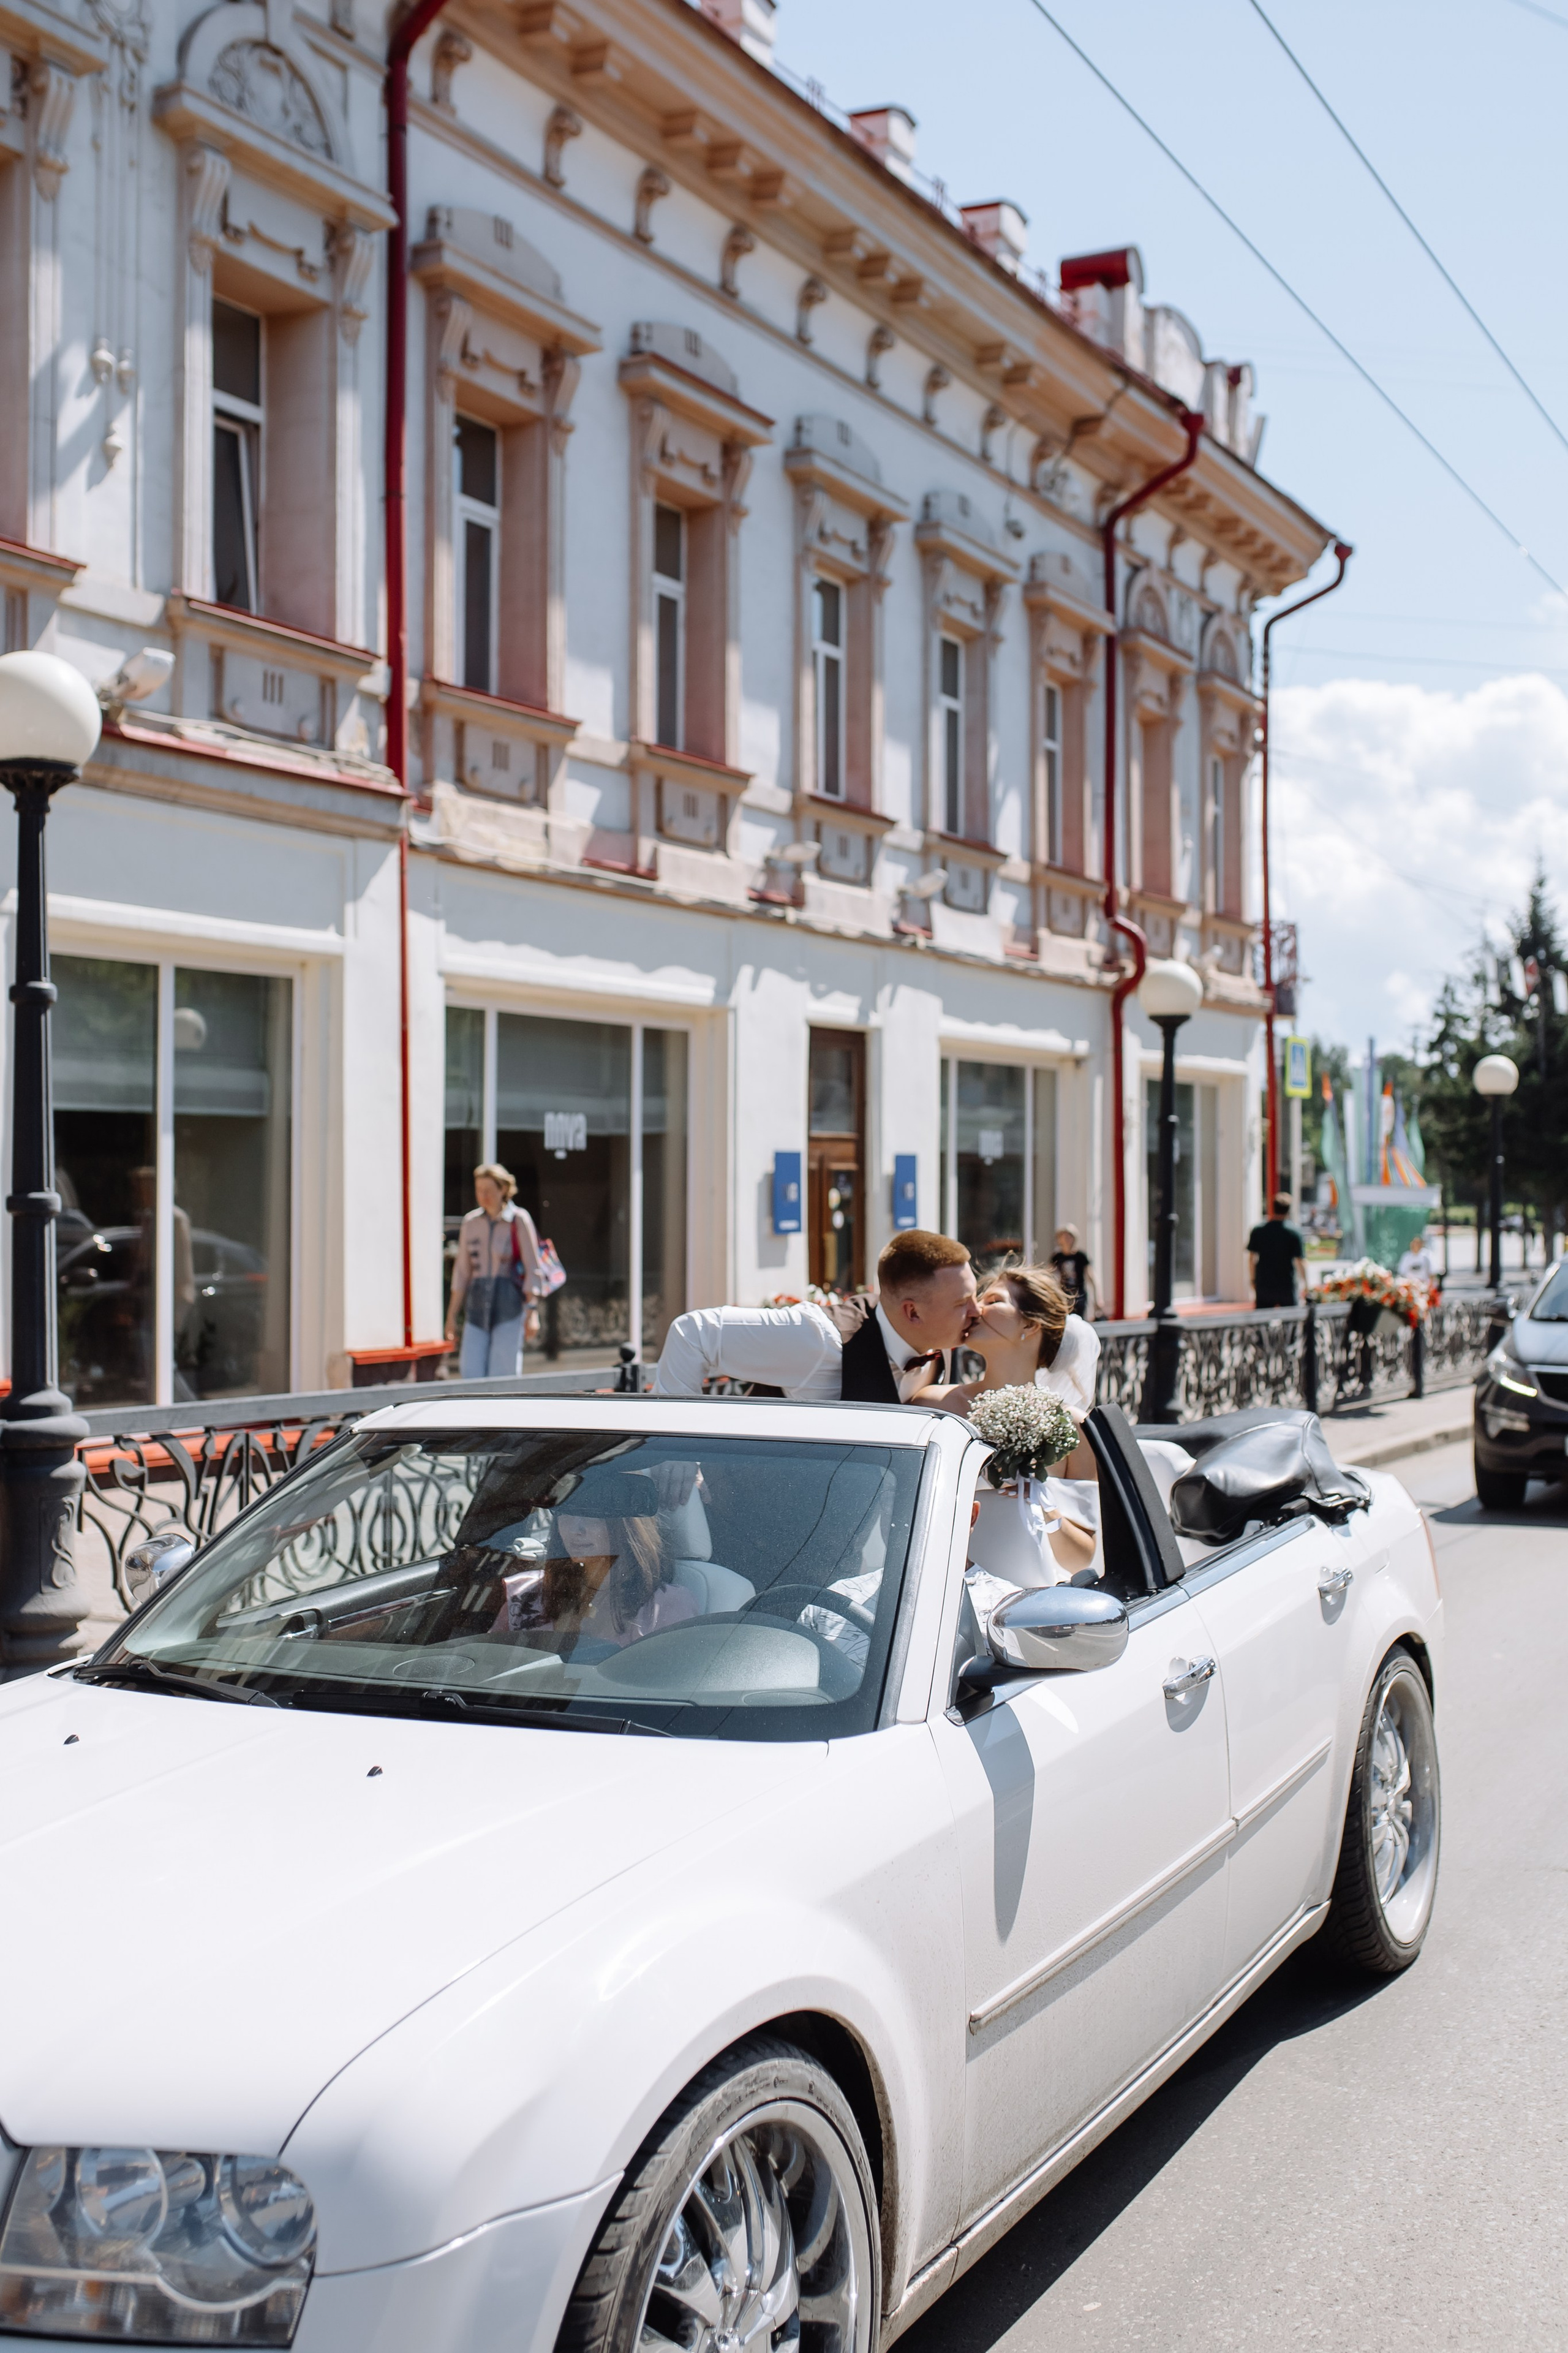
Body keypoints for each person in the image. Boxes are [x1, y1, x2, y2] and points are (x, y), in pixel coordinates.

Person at [913, 1263, 1099, 1577]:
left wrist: (1046, 1508)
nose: (975, 1309)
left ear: (1029, 1325)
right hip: (940, 1585)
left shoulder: (1074, 1428)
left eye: (993, 1301)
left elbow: (1081, 1560)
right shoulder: (933, 1404)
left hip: (1032, 1598)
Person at [653, 1229, 981, 1402]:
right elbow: (693, 1332)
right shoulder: (819, 1340)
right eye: (963, 1302)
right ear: (912, 1312)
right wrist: (673, 1457)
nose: (976, 1312)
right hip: (747, 1514)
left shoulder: (942, 1345)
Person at [445, 1162, 542, 1379]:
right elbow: (462, 1272)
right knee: (471, 1374)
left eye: (489, 1190)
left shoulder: (519, 1220)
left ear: (503, 1190)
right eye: (480, 1190)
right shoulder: (471, 1223)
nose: (484, 1196)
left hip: (509, 1308)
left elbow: (533, 1269)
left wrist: (532, 1313)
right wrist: (451, 1316)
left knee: (503, 1376)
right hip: (477, 1309)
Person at [1246, 1193, 1307, 1311]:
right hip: (1286, 1284)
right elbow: (1301, 1261)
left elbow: (1251, 1258)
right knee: (1291, 1322)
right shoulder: (1294, 1232)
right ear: (1289, 1210)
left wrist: (1253, 1280)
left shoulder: (1259, 1231)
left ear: (1273, 1208)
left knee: (1262, 1322)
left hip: (1264, 1283)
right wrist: (1306, 1285)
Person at [1049, 1223, 1098, 1321]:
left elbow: (1091, 1277)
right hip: (1064, 1295)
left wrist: (1098, 1298)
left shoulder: (1081, 1256)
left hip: (1079, 1295)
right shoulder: (1057, 1257)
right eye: (1064, 1237)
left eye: (1069, 1237)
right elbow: (1049, 1274)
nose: (1066, 1239)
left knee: (1079, 1321)